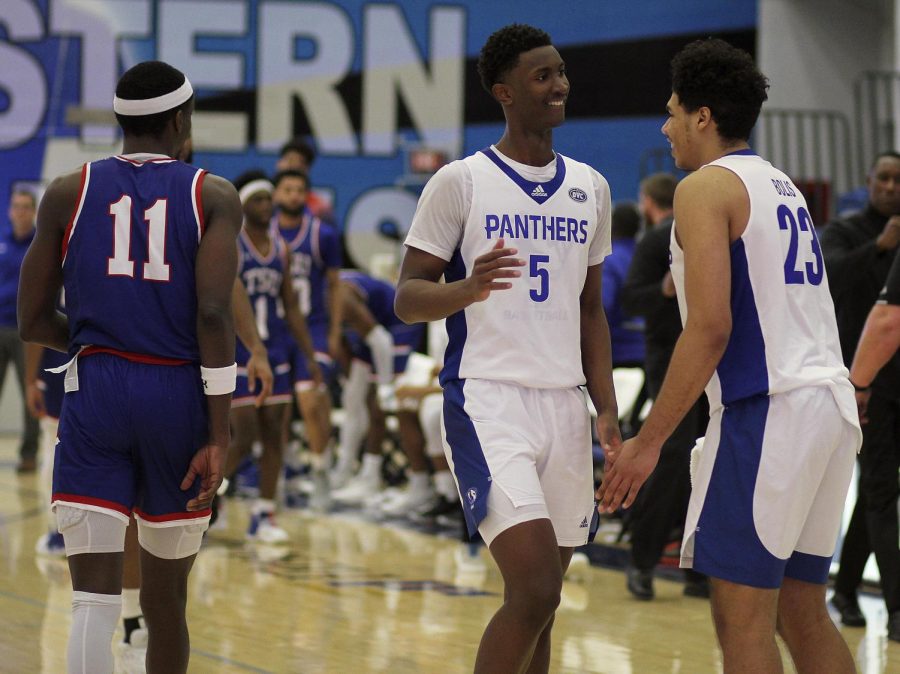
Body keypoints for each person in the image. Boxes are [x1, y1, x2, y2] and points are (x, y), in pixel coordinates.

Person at [598, 39, 860, 673]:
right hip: (829, 406)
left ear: (702, 116)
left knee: (741, 619)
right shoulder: (782, 184)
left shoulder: (703, 189)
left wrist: (648, 440)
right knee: (802, 612)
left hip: (768, 413)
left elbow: (710, 328)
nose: (665, 128)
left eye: (671, 112)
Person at [395, 24, 620, 674]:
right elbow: (408, 297)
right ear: (504, 93)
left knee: (539, 606)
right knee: (535, 588)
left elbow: (590, 311)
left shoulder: (592, 188)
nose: (559, 86)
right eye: (541, 76)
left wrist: (605, 409)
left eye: (561, 72)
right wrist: (467, 288)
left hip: (565, 406)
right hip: (488, 401)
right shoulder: (460, 182)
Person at [17, 60, 242, 674]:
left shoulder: (69, 190)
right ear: (180, 120)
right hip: (177, 392)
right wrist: (218, 430)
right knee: (165, 599)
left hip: (96, 388)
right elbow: (216, 315)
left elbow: (33, 319)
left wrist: (98, 340)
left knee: (91, 599)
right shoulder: (213, 194)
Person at [820, 151, 900, 636]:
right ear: (869, 181)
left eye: (899, 179)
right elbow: (824, 280)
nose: (891, 187)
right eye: (884, 178)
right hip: (863, 382)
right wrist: (878, 246)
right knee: (879, 492)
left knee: (879, 494)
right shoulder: (846, 231)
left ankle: (847, 588)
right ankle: (896, 611)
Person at [619, 172, 709, 601]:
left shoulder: (716, 235)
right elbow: (632, 299)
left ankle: (701, 567)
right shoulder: (657, 241)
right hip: (670, 358)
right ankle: (641, 559)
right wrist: (665, 288)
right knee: (673, 455)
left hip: (717, 360)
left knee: (712, 460)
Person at [224, 172, 322, 530]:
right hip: (238, 350)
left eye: (269, 199)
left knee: (275, 433)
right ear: (243, 205)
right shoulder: (232, 245)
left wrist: (309, 355)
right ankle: (211, 496)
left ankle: (264, 511)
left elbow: (292, 307)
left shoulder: (280, 247)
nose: (267, 205)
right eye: (258, 199)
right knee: (244, 434)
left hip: (276, 348)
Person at [273, 168, 343, 509]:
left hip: (311, 329)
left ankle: (320, 473)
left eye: (300, 189)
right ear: (276, 195)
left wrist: (333, 332)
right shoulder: (263, 233)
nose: (294, 195)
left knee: (311, 401)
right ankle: (282, 471)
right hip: (273, 331)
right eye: (288, 189)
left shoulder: (322, 235)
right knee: (277, 409)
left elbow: (335, 286)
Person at [330, 270, 427, 514]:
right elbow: (340, 346)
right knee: (352, 399)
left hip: (397, 321)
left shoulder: (340, 295)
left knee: (379, 405)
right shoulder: (314, 301)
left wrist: (384, 386)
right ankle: (345, 471)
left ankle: (375, 477)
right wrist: (350, 377)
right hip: (374, 328)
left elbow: (381, 340)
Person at [846, 245, 900, 640]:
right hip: (884, 387)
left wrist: (858, 383)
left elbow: (888, 321)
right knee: (875, 493)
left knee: (878, 495)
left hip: (879, 382)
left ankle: (896, 609)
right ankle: (848, 588)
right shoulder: (853, 236)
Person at [2, 188, 40, 473]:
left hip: (26, 332)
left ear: (34, 211)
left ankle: (29, 453)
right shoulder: (1, 243)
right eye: (17, 207)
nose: (21, 212)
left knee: (29, 391)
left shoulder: (40, 244)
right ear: (9, 211)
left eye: (26, 207)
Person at [602, 201, 644, 369]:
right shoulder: (649, 255)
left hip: (620, 353)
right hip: (655, 350)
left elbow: (604, 306)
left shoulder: (609, 261)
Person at [275, 137, 333, 222]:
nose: (293, 167)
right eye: (290, 160)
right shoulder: (263, 201)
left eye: (300, 163)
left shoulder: (320, 208)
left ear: (307, 170)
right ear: (279, 164)